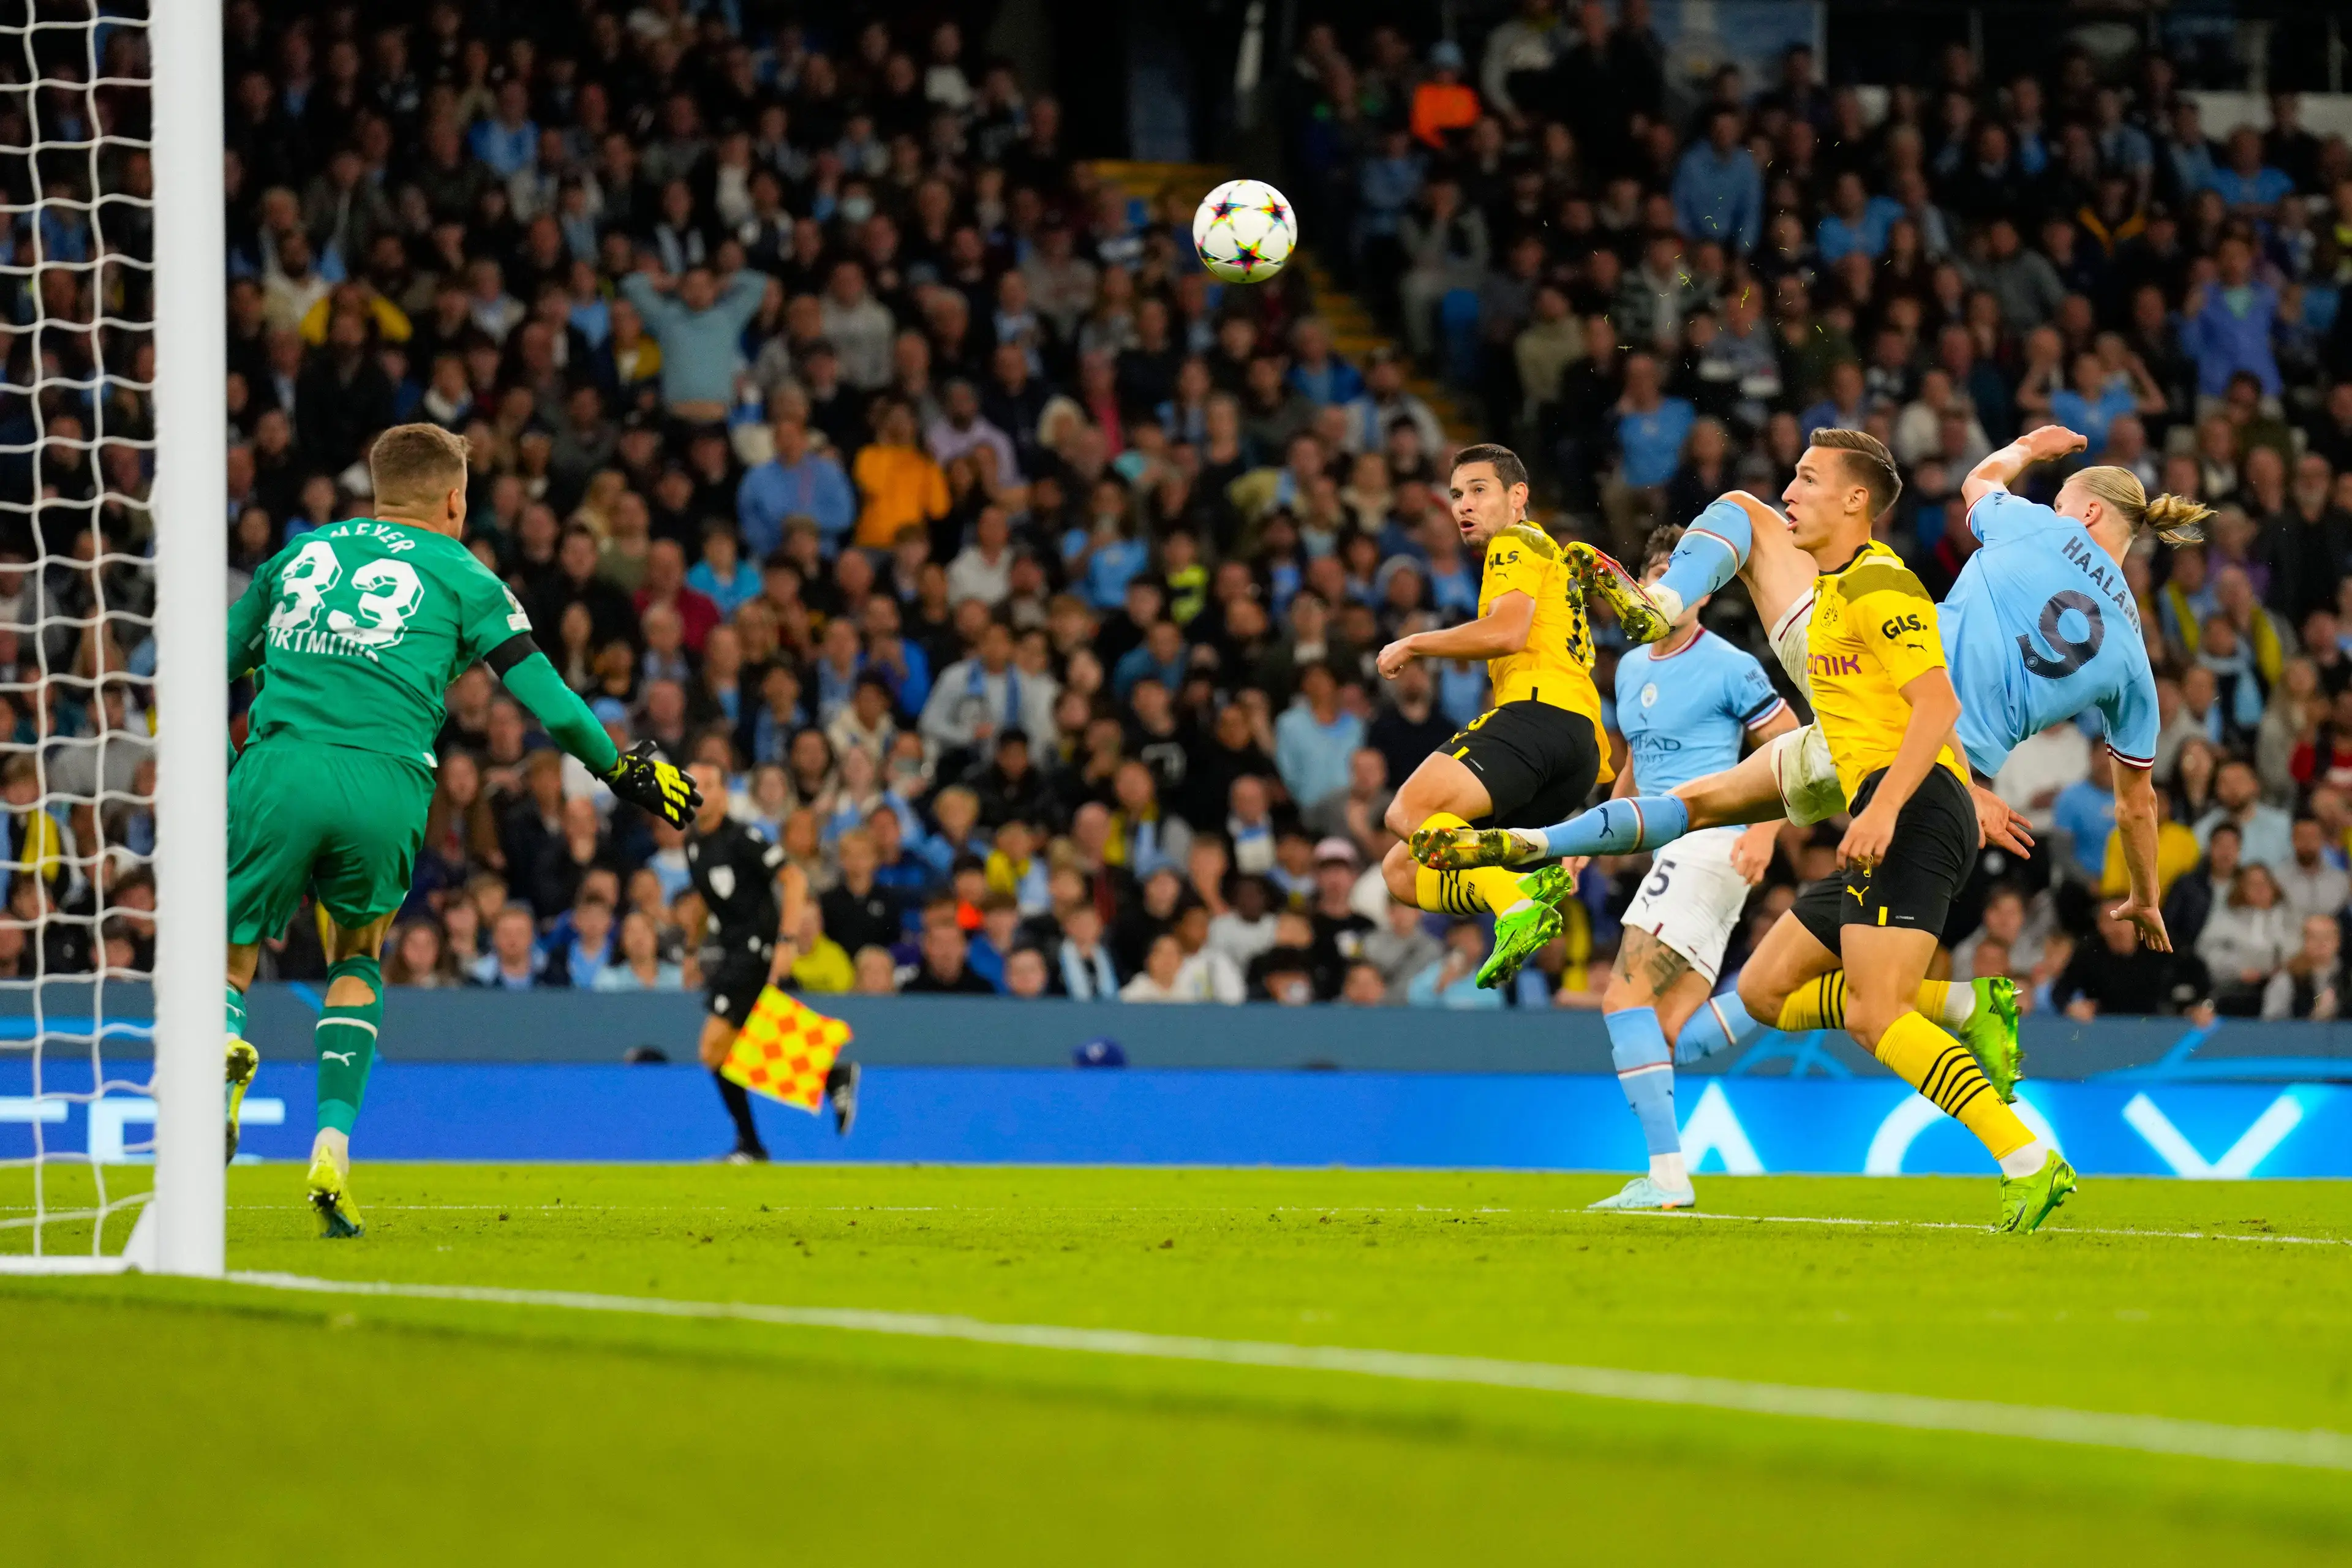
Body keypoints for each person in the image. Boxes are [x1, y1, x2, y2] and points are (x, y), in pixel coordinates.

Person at [1455, 431, 2078, 1229]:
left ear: (1856, 501)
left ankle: (2030, 1158)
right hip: (1889, 798)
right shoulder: (1836, 594)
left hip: (1909, 812)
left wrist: (1888, 807)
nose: (1790, 492)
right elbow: (1901, 701)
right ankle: (1965, 1007)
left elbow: (1937, 704)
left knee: (1875, 1015)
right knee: (1764, 992)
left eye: (1808, 480)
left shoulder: (1883, 585)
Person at [224, 424, 702, 1232]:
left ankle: (222, 1043)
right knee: (358, 955)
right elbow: (547, 698)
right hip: (388, 779)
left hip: (282, 765)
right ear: (454, 499)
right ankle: (332, 1140)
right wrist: (620, 771)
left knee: (229, 952)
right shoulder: (464, 573)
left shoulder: (297, 558)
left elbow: (216, 658)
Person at [1585, 526, 1799, 1210]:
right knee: (1673, 1031)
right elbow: (1633, 767)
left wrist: (1766, 831)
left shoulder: (1732, 665)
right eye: (1654, 578)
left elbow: (1791, 748)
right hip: (1682, 851)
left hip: (1710, 840)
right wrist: (1596, 836)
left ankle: (1668, 1176)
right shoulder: (1631, 667)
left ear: (1703, 593)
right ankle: (1802, 984)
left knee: (1623, 998)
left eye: (1681, 578)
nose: (1665, 590)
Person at [1371, 443, 1608, 987]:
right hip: (1576, 751)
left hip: (1539, 715)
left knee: (1408, 811)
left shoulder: (1516, 541)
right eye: (1456, 495)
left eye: (1479, 491)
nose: (1464, 506)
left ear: (1517, 496)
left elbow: (1506, 632)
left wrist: (1415, 642)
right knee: (1402, 871)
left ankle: (1515, 905)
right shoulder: (1548, 552)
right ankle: (1520, 888)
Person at [682, 759, 855, 1159]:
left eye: (709, 782)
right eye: (693, 782)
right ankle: (831, 1078)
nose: (700, 790)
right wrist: (693, 948)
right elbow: (704, 905)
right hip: (731, 952)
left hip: (755, 950)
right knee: (736, 1044)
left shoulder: (743, 837)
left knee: (713, 1049)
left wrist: (787, 940)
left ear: (725, 792)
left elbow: (793, 879)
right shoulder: (694, 844)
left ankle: (752, 1145)